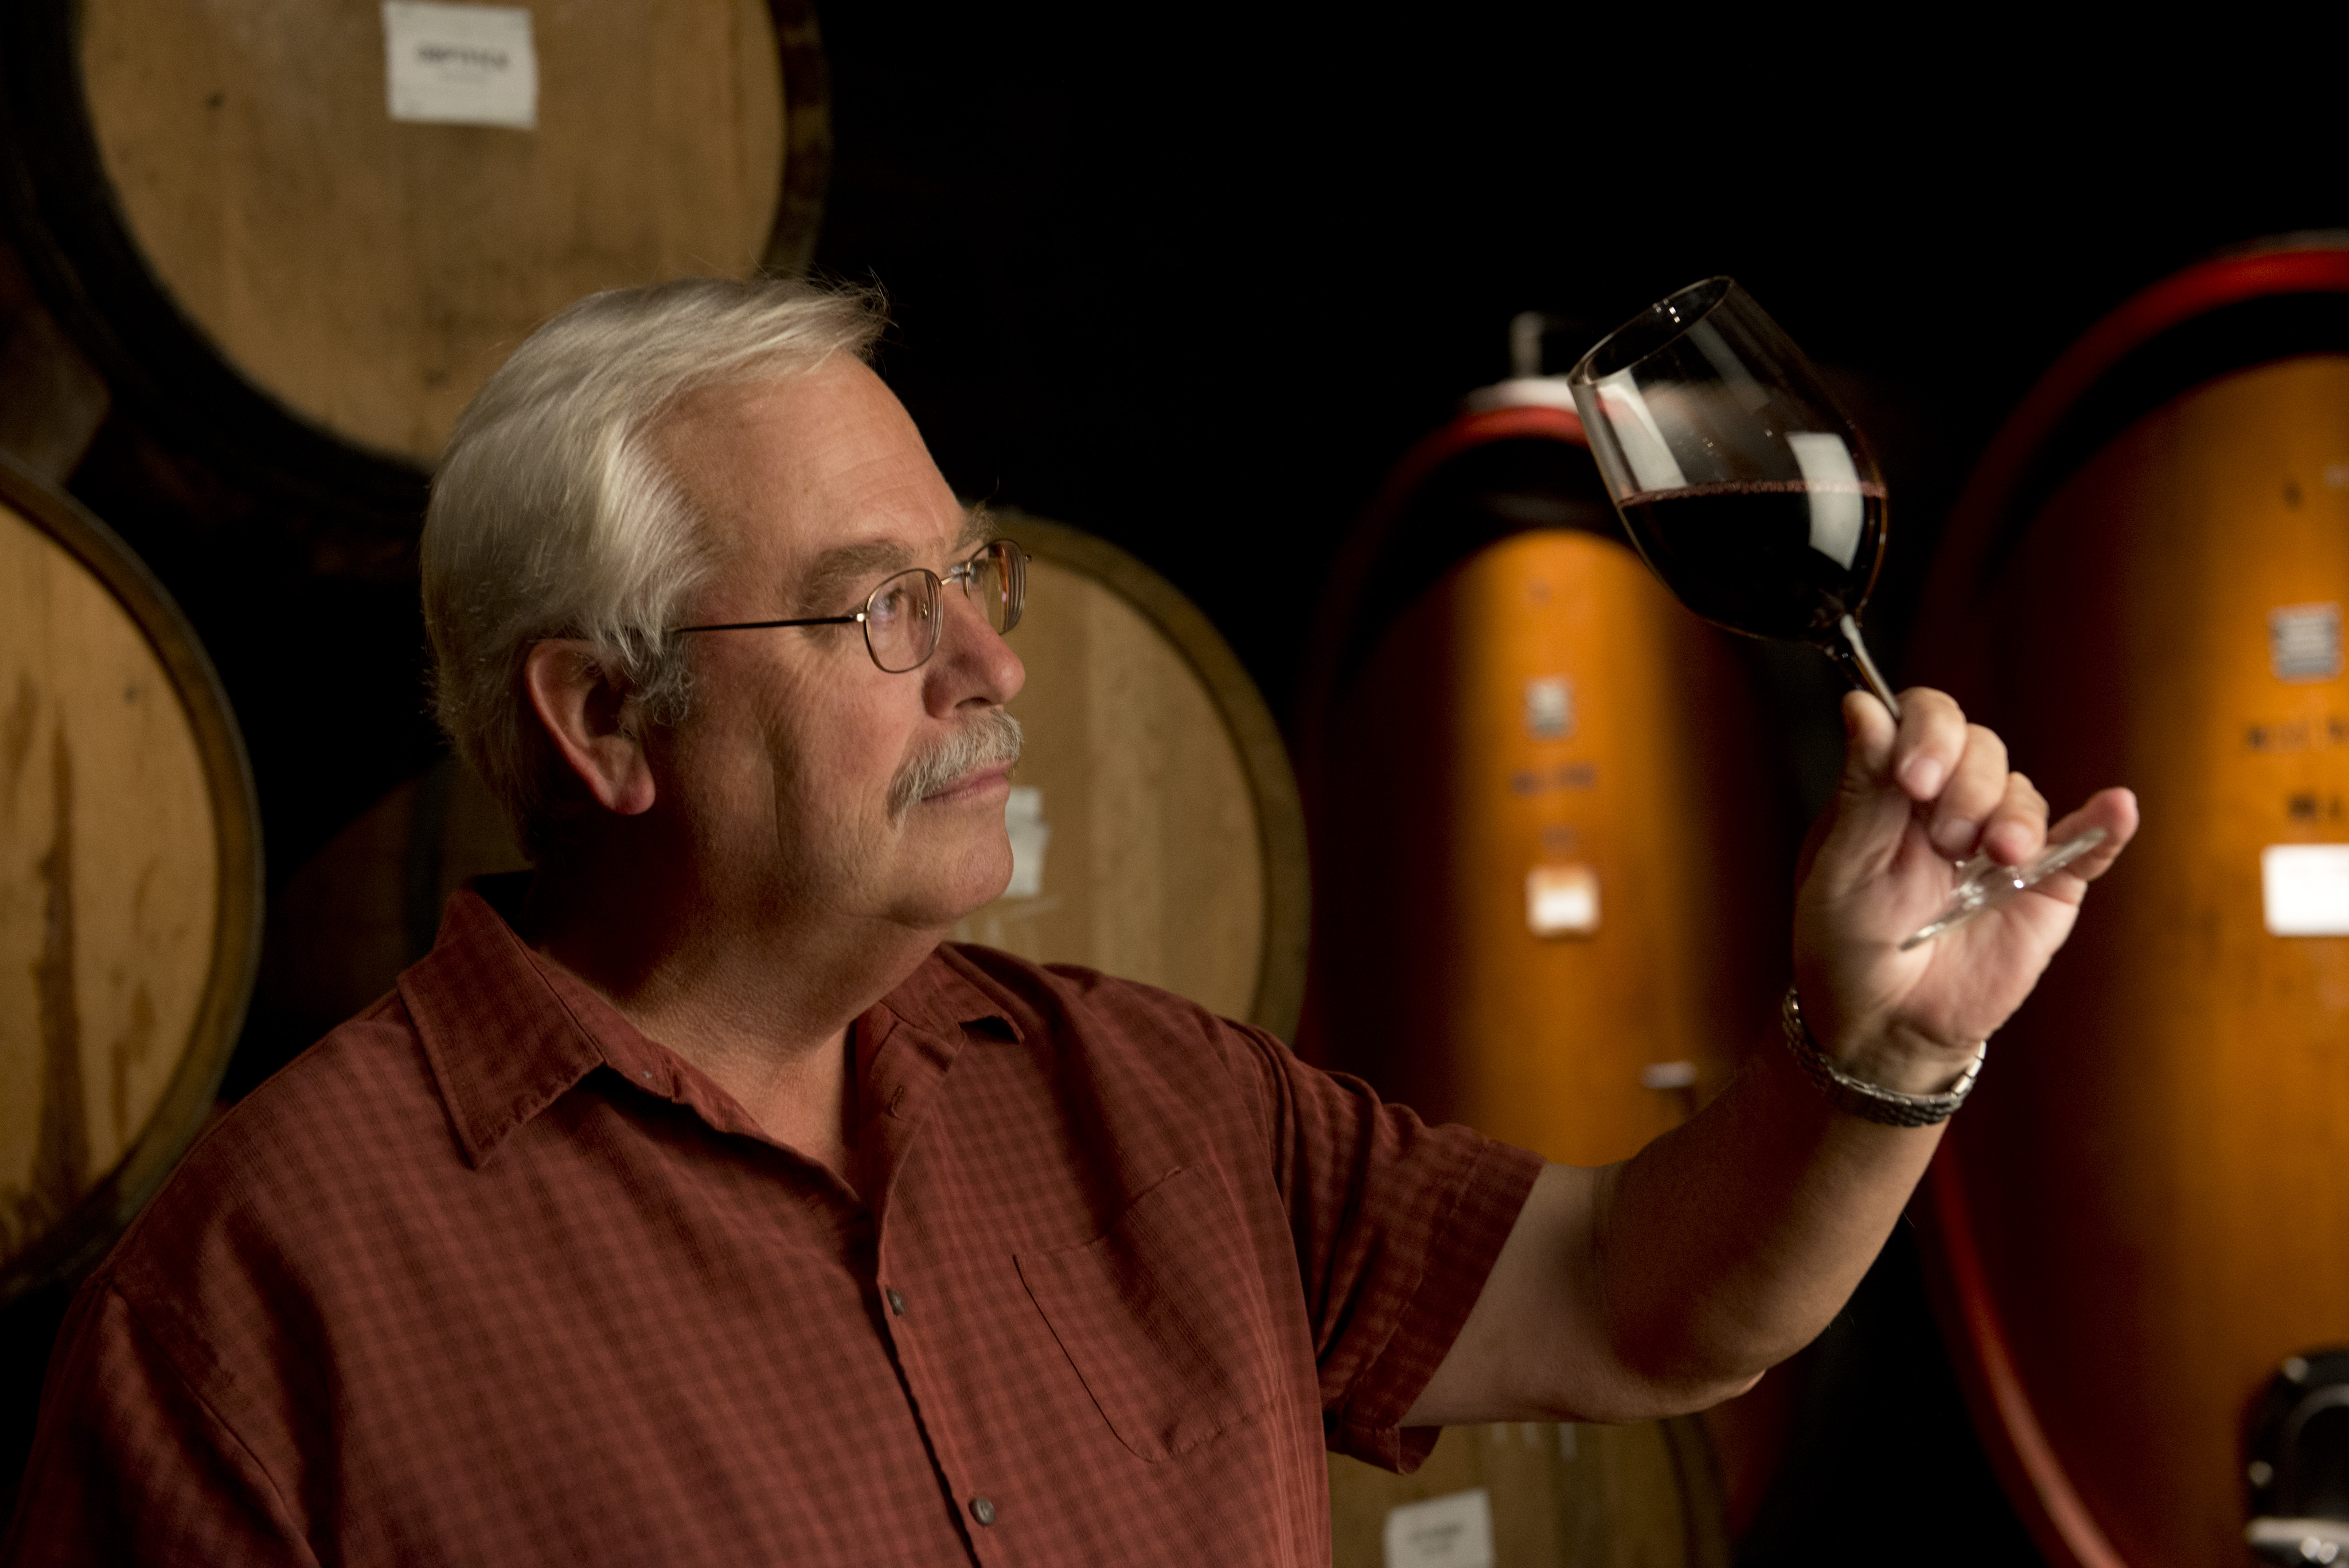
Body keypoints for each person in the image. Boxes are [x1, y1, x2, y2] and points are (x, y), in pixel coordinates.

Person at [3, 278, 2136, 1566]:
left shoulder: (1148, 1096)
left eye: (974, 579)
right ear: (601, 723)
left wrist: (1884, 1046)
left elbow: (1646, 1304)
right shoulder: (262, 1311)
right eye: (876, 607)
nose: (993, 670)